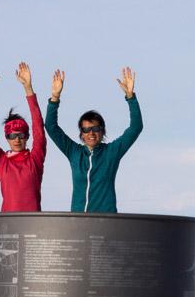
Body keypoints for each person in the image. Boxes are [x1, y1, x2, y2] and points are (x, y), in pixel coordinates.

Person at [44, 67, 142, 213]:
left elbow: (136, 127)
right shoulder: (74, 152)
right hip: (78, 221)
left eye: (95, 129)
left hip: (106, 221)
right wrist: (55, 98)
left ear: (102, 131)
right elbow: (51, 127)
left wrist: (130, 97)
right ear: (81, 134)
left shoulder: (111, 152)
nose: (91, 133)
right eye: (86, 129)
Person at [0, 62, 46, 212]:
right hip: (8, 225)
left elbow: (39, 128)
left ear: (27, 136)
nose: (17, 139)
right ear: (7, 138)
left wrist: (28, 89)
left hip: (34, 224)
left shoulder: (35, 159)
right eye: (12, 136)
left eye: (21, 135)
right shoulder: (1, 161)